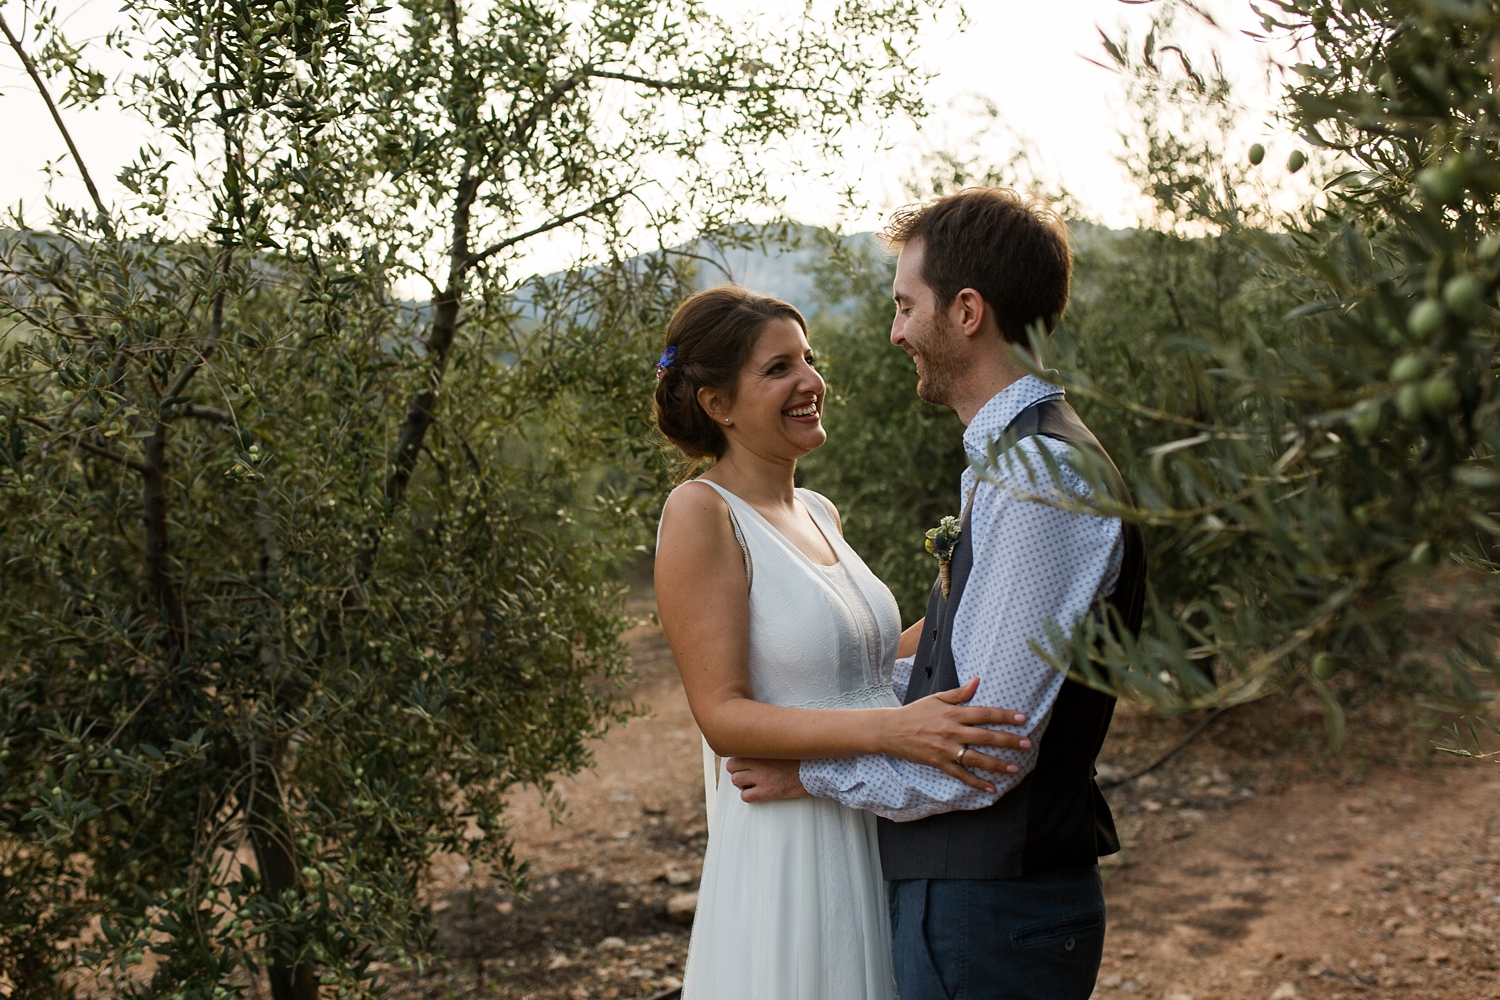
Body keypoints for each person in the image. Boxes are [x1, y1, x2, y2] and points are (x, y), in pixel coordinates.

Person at [726, 187, 1147, 1000]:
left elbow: (982, 751)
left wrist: (811, 772)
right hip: (973, 904)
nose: (895, 332)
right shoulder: (1011, 463)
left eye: (905, 305)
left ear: (966, 311)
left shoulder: (1038, 475)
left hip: (989, 913)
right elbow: (954, 676)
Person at [652, 285, 1036, 1000]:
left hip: (872, 812)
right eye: (778, 369)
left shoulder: (819, 511)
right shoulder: (701, 512)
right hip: (793, 838)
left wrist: (991, 577)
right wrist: (894, 730)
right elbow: (722, 715)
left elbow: (867, 661)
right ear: (717, 403)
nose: (810, 382)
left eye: (809, 359)